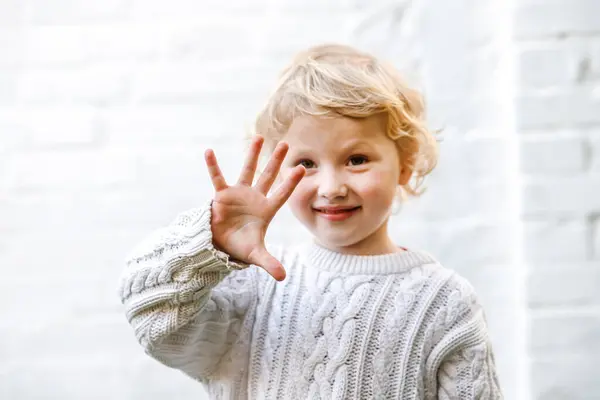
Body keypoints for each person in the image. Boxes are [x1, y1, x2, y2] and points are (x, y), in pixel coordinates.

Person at [119, 44, 502, 399]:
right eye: (306, 164)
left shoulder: (443, 302)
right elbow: (150, 316)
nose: (331, 187)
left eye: (356, 159)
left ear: (404, 163)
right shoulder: (253, 287)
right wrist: (210, 245)